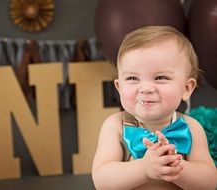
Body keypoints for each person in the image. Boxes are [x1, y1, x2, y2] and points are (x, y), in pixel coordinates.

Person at [92, 26, 217, 190]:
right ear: (119, 87)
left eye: (160, 77)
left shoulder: (191, 127)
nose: (146, 88)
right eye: (132, 78)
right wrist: (144, 168)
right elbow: (102, 181)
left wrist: (175, 166)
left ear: (186, 88)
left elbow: (209, 183)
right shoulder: (115, 126)